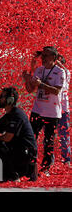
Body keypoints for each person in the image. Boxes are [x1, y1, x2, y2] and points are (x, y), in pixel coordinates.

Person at [22, 46, 65, 174]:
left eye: (46, 56)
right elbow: (30, 90)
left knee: (48, 141)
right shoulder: (39, 70)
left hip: (52, 112)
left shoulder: (59, 72)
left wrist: (41, 84)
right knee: (30, 138)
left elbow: (56, 90)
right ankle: (30, 165)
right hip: (37, 109)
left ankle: (46, 167)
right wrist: (27, 79)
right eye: (43, 56)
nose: (43, 58)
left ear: (54, 57)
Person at [56, 54, 71, 165]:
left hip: (63, 109)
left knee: (63, 134)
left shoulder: (66, 72)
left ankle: (67, 159)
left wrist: (56, 62)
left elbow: (64, 70)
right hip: (52, 108)